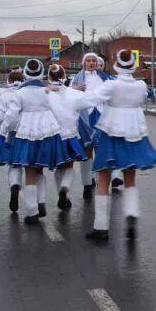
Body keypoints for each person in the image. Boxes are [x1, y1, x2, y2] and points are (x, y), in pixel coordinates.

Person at [84, 49, 156, 241]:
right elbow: (143, 99)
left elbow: (90, 99)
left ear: (116, 65)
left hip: (112, 131)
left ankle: (101, 227)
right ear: (133, 66)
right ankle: (131, 214)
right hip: (135, 131)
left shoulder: (111, 85)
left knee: (103, 176)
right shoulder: (141, 85)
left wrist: (63, 92)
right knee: (130, 176)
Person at [0, 58, 72, 225]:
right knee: (40, 169)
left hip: (26, 131)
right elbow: (59, 111)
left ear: (26, 72)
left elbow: (11, 116)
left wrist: (5, 130)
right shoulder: (48, 91)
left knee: (30, 171)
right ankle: (41, 203)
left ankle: (32, 210)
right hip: (48, 131)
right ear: (41, 73)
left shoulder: (19, 93)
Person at [45, 63, 89, 210]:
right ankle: (65, 188)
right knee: (70, 166)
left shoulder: (44, 94)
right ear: (64, 76)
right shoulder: (74, 94)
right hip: (70, 134)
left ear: (48, 77)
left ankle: (61, 194)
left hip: (52, 135)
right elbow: (89, 103)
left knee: (59, 167)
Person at [70, 52, 111, 200]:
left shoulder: (104, 78)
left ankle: (101, 182)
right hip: (85, 117)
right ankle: (87, 184)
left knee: (101, 150)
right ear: (84, 62)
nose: (92, 63)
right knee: (87, 151)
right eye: (89, 61)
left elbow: (112, 91)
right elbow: (69, 94)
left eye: (94, 60)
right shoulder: (78, 78)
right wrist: (76, 89)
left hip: (101, 116)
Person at [0, 69, 25, 212]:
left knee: (13, 164)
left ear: (8, 81)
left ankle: (14, 185)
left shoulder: (4, 96)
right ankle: (34, 202)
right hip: (27, 132)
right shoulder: (24, 93)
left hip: (9, 132)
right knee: (27, 164)